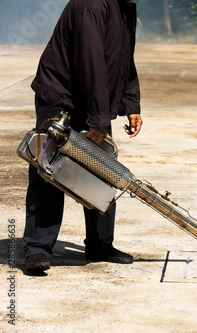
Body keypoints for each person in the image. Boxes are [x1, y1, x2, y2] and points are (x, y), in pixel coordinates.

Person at [24, 0, 143, 272]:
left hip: (92, 97)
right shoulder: (92, 6)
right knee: (49, 170)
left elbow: (124, 56)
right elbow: (91, 64)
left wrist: (131, 104)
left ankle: (100, 244)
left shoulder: (126, 5)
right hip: (61, 96)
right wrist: (99, 119)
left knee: (102, 169)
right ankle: (38, 247)